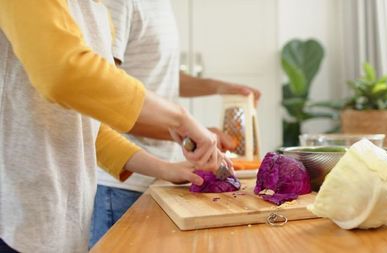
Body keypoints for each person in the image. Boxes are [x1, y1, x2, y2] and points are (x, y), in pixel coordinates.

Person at [0, 0, 226, 252]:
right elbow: (64, 74)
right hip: (13, 215)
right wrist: (177, 117)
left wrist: (164, 168)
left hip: (61, 218)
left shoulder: (98, 10)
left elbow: (87, 125)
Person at [88, 0, 262, 247]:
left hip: (165, 175)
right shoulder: (118, 3)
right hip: (123, 184)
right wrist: (189, 133)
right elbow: (107, 101)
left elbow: (162, 74)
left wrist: (217, 87)